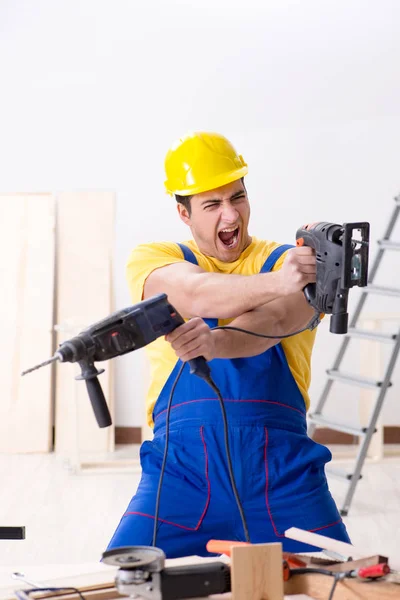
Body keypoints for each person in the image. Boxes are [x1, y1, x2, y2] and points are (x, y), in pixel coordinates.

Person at [107, 131, 350, 558]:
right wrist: (278, 282)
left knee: (342, 581)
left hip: (284, 475)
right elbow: (196, 293)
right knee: (127, 578)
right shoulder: (154, 258)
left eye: (237, 197)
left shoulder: (286, 259)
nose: (231, 213)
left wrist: (215, 342)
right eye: (212, 204)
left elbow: (277, 317)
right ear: (184, 212)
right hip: (181, 475)